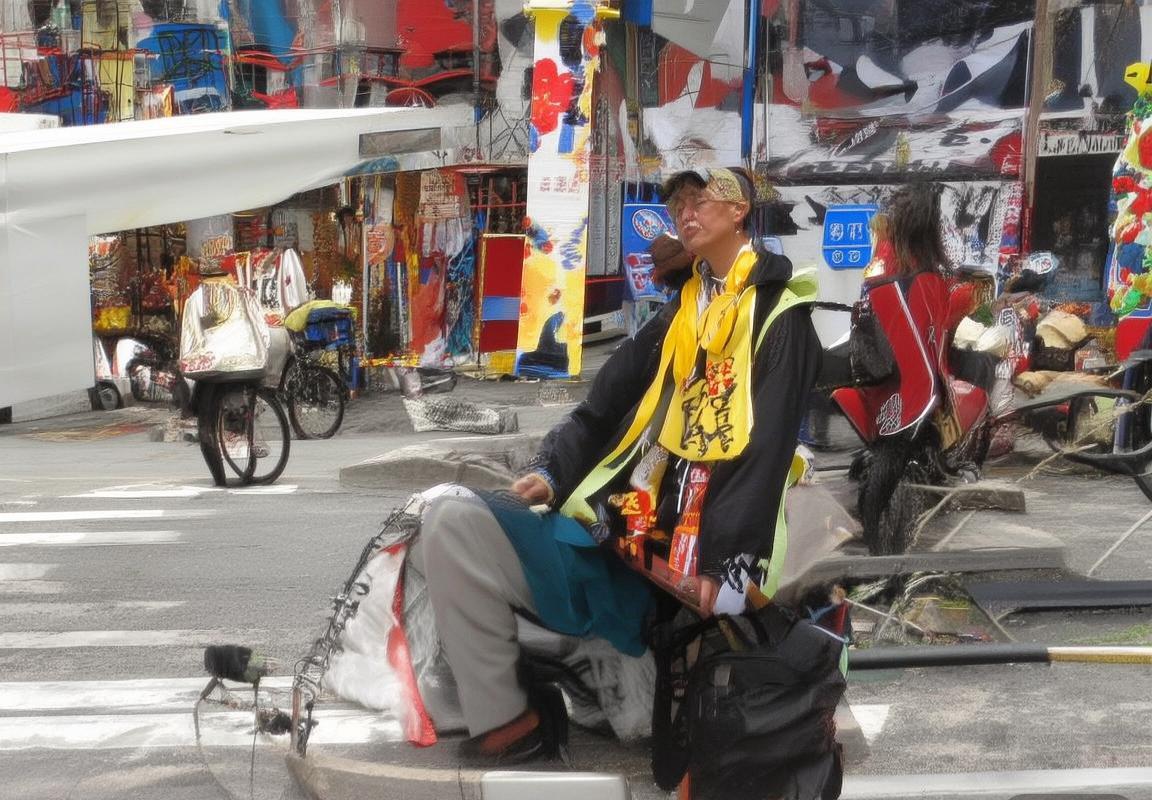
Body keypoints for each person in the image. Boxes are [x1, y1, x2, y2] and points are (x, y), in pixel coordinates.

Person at [409, 166, 822, 764]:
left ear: (739, 211)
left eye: (701, 200)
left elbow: (765, 448)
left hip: (693, 548)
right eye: (679, 203)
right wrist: (551, 471)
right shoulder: (680, 314)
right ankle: (508, 720)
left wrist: (727, 562)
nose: (686, 212)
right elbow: (598, 409)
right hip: (619, 528)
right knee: (445, 520)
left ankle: (594, 673)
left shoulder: (780, 314)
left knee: (453, 522)